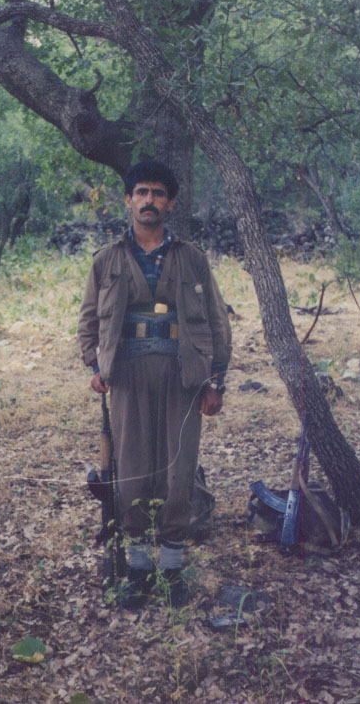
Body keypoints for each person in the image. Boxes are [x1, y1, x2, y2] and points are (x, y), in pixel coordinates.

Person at [78, 160, 231, 608]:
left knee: (177, 470)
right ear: (128, 200)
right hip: (126, 376)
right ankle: (139, 568)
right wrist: (94, 365)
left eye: (158, 193)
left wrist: (216, 381)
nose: (149, 200)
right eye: (142, 192)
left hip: (182, 376)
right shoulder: (106, 260)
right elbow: (88, 322)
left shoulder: (192, 259)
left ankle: (173, 569)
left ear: (171, 203)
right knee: (130, 468)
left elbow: (218, 324)